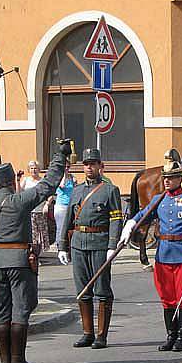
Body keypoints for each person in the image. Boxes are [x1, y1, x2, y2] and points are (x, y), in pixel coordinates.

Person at [0, 140, 72, 363]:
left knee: (1, 311)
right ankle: (18, 362)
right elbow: (48, 185)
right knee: (20, 310)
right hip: (19, 262)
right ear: (11, 182)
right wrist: (60, 155)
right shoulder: (19, 201)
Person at [121, 158, 182, 352]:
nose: (167, 181)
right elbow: (143, 214)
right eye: (165, 177)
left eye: (171, 177)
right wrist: (130, 224)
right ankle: (171, 335)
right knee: (167, 298)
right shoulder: (158, 199)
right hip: (164, 254)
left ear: (180, 179)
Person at [57, 148, 123, 350]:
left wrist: (113, 244)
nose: (89, 168)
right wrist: (62, 246)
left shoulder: (109, 190)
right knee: (82, 290)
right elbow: (68, 219)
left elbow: (116, 219)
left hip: (100, 243)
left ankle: (101, 335)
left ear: (100, 166)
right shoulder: (76, 191)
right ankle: (87, 332)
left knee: (102, 289)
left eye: (93, 164)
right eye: (86, 164)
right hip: (78, 243)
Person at [52, 163, 75, 249]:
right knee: (60, 226)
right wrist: (64, 174)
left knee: (70, 226)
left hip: (70, 205)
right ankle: (59, 244)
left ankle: (68, 245)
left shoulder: (72, 177)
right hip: (61, 205)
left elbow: (75, 188)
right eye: (65, 167)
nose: (66, 168)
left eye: (68, 167)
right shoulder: (59, 177)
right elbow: (62, 186)